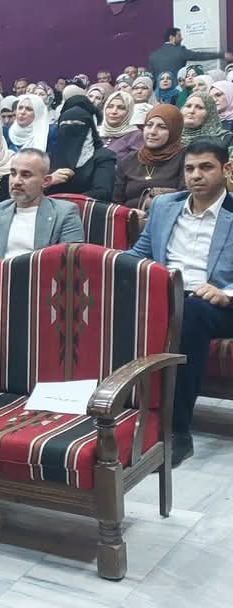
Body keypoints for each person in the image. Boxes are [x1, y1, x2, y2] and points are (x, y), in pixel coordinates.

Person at [127, 139, 233, 466]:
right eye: (190, 168)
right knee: (119, 307)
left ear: (226, 169)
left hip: (219, 306)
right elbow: (138, 255)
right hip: (165, 300)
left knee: (192, 314)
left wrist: (227, 292)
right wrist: (105, 269)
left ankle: (177, 432)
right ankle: (116, 417)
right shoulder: (164, 206)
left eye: (206, 167)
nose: (196, 175)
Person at [0, 149, 84, 279]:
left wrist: (8, 272)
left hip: (38, 285)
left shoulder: (65, 212)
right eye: (13, 173)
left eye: (26, 175)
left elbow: (70, 261)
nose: (16, 181)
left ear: (46, 181)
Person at [114, 104, 186, 209]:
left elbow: (185, 196)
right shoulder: (128, 160)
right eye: (149, 125)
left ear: (174, 130)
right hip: (130, 217)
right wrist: (141, 205)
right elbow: (116, 203)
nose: (152, 132)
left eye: (162, 127)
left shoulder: (185, 157)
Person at [45, 101, 117, 200]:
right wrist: (50, 181)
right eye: (64, 124)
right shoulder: (48, 158)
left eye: (76, 124)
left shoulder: (103, 157)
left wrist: (65, 201)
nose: (69, 128)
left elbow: (103, 192)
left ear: (89, 129)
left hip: (84, 208)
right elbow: (32, 189)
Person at [148, 27, 233, 80]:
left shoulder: (153, 55)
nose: (182, 38)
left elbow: (151, 76)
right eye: (179, 36)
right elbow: (199, 56)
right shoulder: (180, 51)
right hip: (177, 90)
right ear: (171, 38)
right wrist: (221, 55)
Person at [99, 91, 145, 162]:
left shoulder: (136, 136)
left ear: (129, 112)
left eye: (121, 108)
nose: (114, 111)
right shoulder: (97, 132)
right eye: (110, 106)